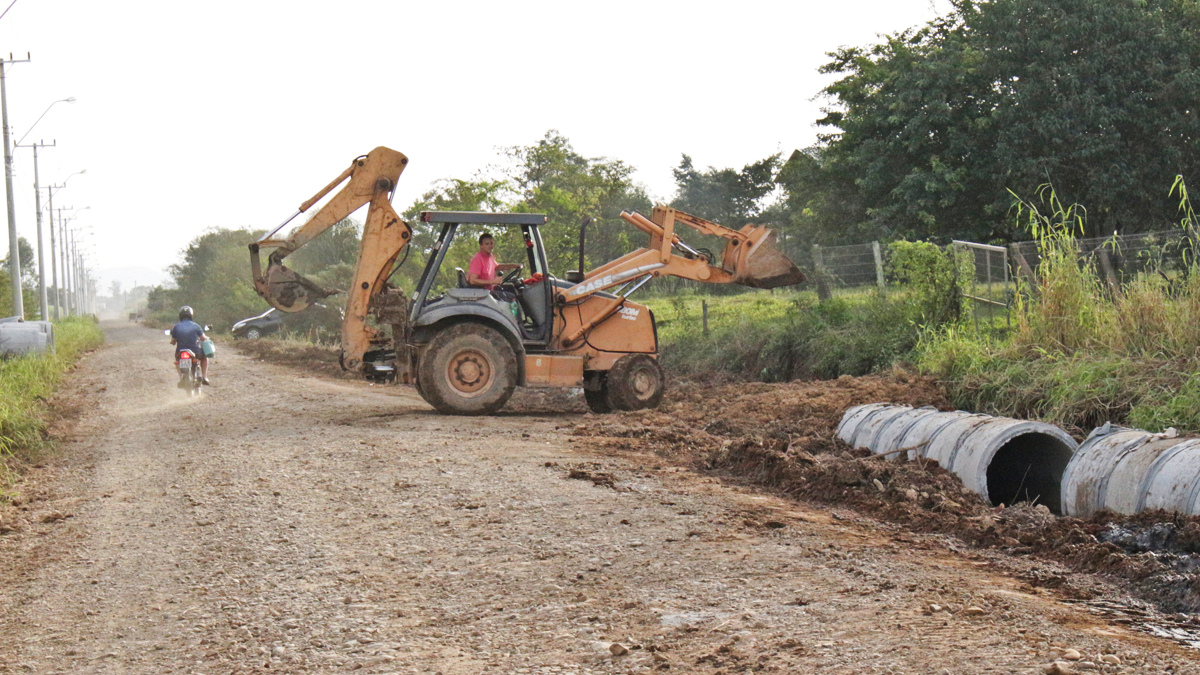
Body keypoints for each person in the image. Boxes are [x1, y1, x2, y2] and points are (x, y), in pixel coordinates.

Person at [170, 306, 211, 386]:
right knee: (204, 357)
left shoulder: (176, 327)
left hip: (180, 351)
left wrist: (174, 341)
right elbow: (203, 338)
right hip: (195, 351)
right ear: (191, 315)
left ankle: (181, 378)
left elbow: (173, 341)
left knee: (178, 361)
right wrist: (206, 338)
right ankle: (204, 377)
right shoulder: (196, 326)